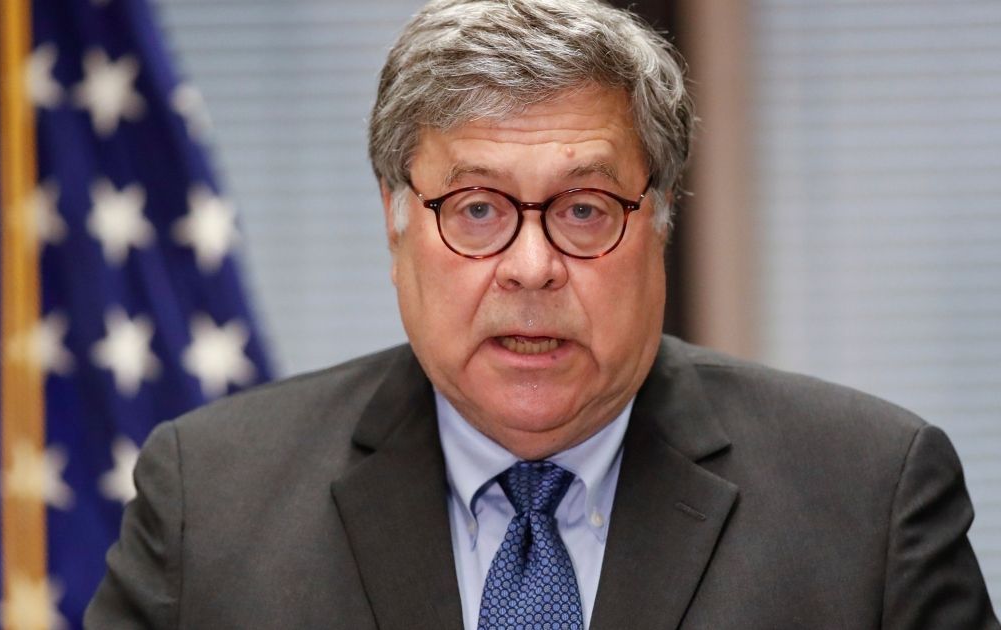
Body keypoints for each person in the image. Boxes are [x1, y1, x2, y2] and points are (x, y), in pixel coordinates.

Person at [86, 0, 999, 627]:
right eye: (477, 207)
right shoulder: (211, 503)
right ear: (395, 219)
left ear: (663, 218)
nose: (532, 267)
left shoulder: (869, 501)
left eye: (585, 210)